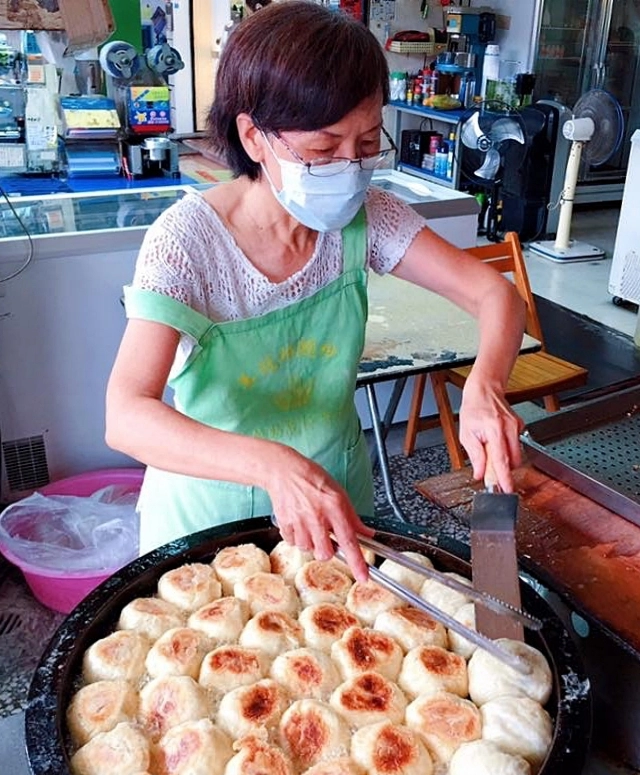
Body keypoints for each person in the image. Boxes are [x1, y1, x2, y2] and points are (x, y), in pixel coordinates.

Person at [106, 1, 525, 581]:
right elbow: (126, 416)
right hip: (206, 522)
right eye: (324, 151)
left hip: (336, 501)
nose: (349, 169)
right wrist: (274, 465)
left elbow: (496, 295)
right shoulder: (186, 242)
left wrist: (485, 386)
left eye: (368, 144)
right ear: (253, 136)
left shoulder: (369, 218)